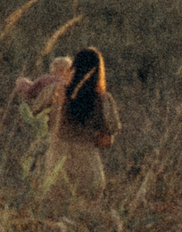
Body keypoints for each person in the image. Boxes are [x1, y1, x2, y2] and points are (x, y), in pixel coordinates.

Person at [14, 46, 118, 192]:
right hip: (88, 168)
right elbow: (105, 141)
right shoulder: (102, 100)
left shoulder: (54, 91)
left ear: (73, 67)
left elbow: (34, 112)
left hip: (57, 166)